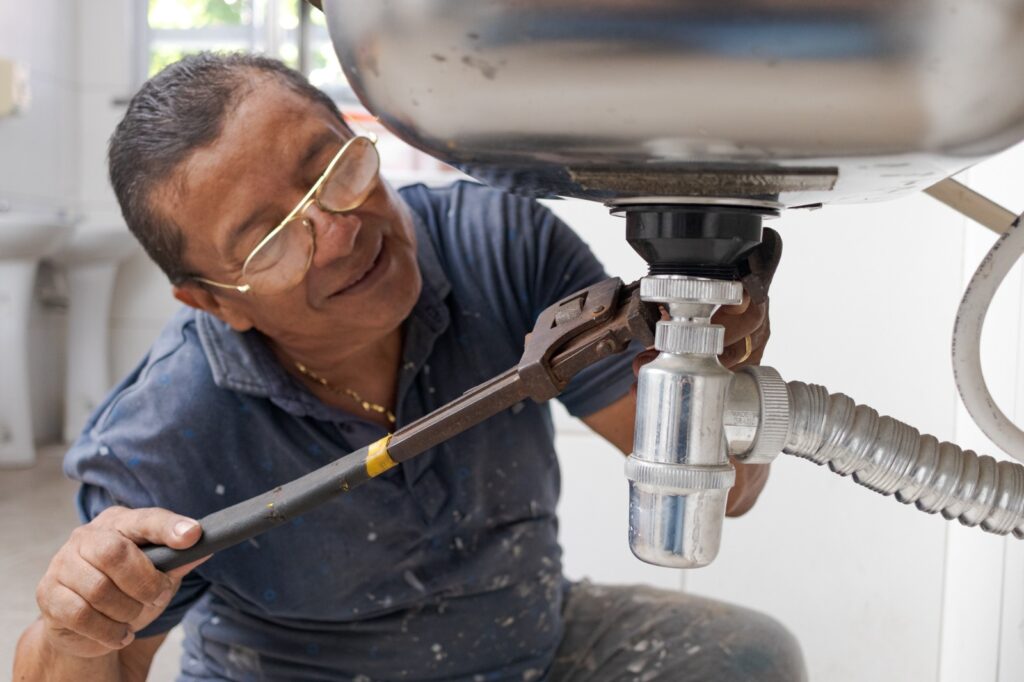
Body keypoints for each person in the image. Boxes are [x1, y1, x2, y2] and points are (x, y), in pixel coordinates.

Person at [14, 54, 804, 681]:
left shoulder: (501, 246)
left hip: (527, 646)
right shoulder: (166, 432)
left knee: (749, 658)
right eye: (271, 241)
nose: (340, 233)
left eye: (332, 168)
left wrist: (722, 366)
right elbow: (94, 669)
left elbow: (728, 491)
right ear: (216, 303)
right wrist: (70, 627)